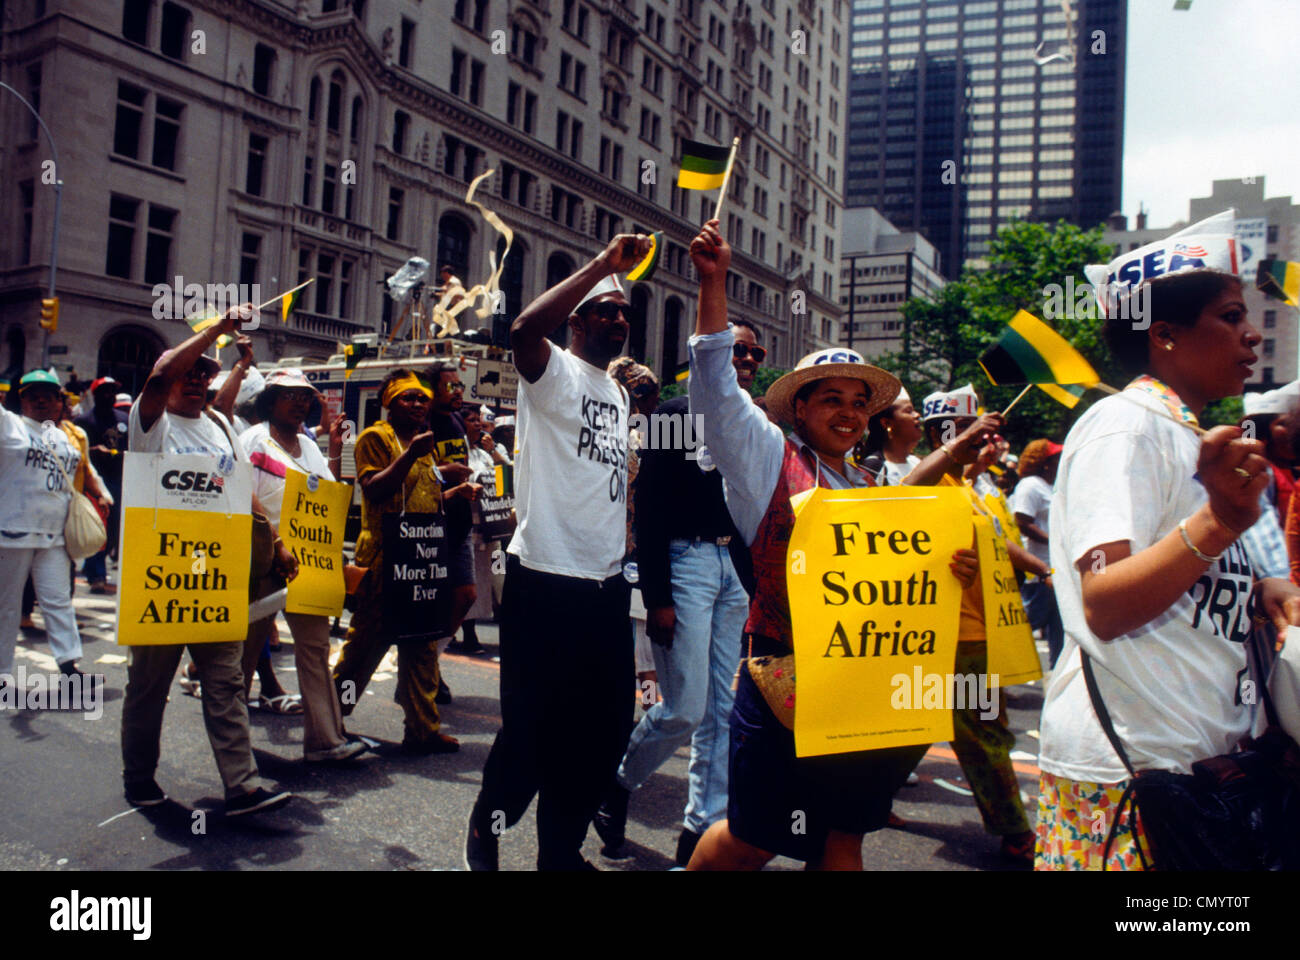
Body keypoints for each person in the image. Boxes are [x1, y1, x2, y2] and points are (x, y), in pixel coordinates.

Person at [679, 220, 981, 870]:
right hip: (783, 678)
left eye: (859, 403)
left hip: (861, 681)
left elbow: (900, 576)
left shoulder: (870, 481)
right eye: (831, 399)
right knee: (754, 837)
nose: (848, 411)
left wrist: (946, 570)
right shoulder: (767, 458)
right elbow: (715, 391)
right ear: (800, 409)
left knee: (844, 835)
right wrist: (713, 283)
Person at [1035, 267, 1300, 870]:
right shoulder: (1122, 426)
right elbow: (1105, 602)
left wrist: (1261, 591)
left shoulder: (1188, 433)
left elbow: (1184, 579)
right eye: (1231, 316)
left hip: (1200, 764)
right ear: (1165, 335)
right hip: (1132, 769)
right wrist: (1219, 523)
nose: (1253, 336)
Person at [464, 232, 651, 872]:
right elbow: (520, 325)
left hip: (604, 588)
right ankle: (488, 828)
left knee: (601, 731)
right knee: (532, 728)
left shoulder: (618, 392)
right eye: (606, 309)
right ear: (575, 322)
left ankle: (559, 851)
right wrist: (602, 263)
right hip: (543, 576)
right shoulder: (550, 371)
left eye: (625, 311)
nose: (619, 320)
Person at [121, 306, 293, 815]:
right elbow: (157, 376)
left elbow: (243, 490)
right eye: (187, 372)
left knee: (225, 680)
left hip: (214, 577)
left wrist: (278, 542)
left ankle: (242, 785)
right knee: (149, 686)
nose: (195, 380)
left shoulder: (220, 423)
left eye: (204, 373)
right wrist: (217, 330)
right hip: (160, 580)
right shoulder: (149, 423)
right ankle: (138, 778)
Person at [594, 334, 756, 868]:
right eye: (738, 351)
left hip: (734, 570)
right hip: (685, 565)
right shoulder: (672, 415)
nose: (748, 360)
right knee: (684, 708)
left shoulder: (755, 424)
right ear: (706, 361)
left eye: (754, 353)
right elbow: (654, 508)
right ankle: (617, 783)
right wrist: (658, 595)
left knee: (721, 711)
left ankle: (701, 827)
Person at [913, 387, 1045, 865]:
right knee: (982, 731)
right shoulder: (929, 482)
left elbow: (997, 544)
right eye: (965, 430)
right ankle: (1014, 829)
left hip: (983, 629)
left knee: (954, 725)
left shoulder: (966, 489)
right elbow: (908, 488)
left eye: (981, 431)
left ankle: (866, 803)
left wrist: (1046, 570)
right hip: (953, 633)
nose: (979, 440)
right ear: (938, 434)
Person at [332, 368, 464, 755]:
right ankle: (332, 718)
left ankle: (423, 729)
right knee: (364, 648)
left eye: (423, 398)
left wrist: (455, 491)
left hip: (420, 561)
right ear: (389, 402)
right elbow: (373, 490)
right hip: (384, 560)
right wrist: (410, 455)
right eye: (409, 398)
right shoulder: (376, 438)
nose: (418, 404)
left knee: (421, 647)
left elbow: (426, 497)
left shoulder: (427, 444)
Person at [240, 369, 367, 762]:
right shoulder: (251, 441)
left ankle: (325, 741)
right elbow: (241, 492)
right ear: (269, 400)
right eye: (290, 396)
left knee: (313, 648)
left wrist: (335, 558)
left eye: (304, 398)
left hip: (307, 564)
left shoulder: (309, 447)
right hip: (260, 560)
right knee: (243, 651)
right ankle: (229, 736)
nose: (299, 404)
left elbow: (325, 498)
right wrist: (275, 544)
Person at [0, 370, 88, 690]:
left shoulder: (64, 437)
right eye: (32, 394)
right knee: (6, 606)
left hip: (54, 535)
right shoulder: (8, 425)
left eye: (48, 395)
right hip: (12, 531)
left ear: (58, 402)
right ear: (20, 399)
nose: (40, 400)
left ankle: (69, 665)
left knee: (58, 600)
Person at [425, 361, 482, 699]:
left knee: (466, 596)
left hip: (460, 522)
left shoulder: (458, 421)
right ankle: (423, 670)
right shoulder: (423, 421)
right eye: (450, 386)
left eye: (460, 385)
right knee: (430, 603)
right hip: (432, 524)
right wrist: (443, 473)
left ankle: (429, 659)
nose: (458, 391)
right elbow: (416, 474)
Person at [1012, 439, 1066, 668]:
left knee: (1060, 627)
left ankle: (1057, 671)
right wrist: (1056, 541)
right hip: (1039, 567)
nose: (1060, 462)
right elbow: (1022, 522)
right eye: (1055, 458)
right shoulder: (1030, 486)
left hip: (1056, 566)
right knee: (1026, 623)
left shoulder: (1050, 486)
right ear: (1045, 462)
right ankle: (1000, 664)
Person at [75, 376, 127, 593]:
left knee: (114, 529)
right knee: (99, 525)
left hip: (118, 479)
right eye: (104, 391)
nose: (109, 395)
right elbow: (79, 453)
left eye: (112, 391)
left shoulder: (124, 418)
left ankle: (93, 563)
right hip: (96, 480)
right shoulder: (84, 421)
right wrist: (94, 451)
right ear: (95, 395)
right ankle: (97, 574)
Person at [856, 387, 923, 485]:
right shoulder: (874, 467)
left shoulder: (916, 463)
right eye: (908, 411)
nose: (917, 415)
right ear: (886, 423)